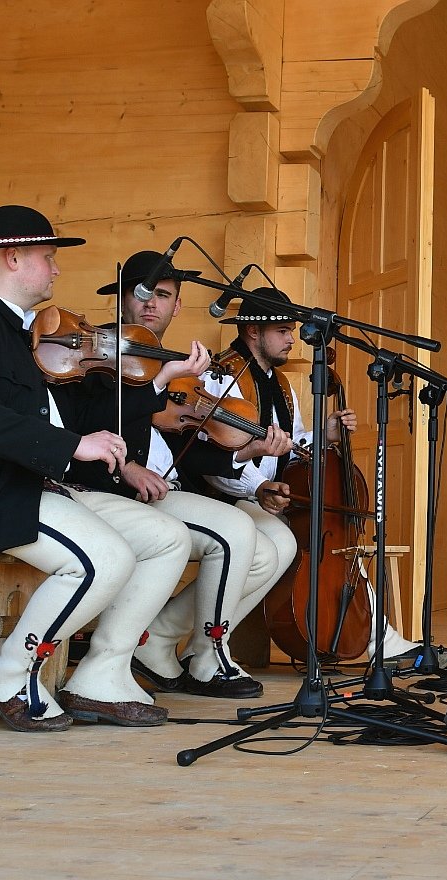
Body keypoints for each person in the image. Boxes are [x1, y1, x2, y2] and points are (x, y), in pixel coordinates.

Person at [0, 205, 193, 731]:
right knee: (102, 558)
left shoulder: (27, 334)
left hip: (35, 487)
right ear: (13, 258)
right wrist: (72, 446)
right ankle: (10, 676)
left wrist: (100, 431)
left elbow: (62, 415)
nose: (57, 270)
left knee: (167, 538)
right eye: (48, 257)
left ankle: (101, 675)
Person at [77, 251, 295, 699]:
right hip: (114, 489)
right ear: (121, 299)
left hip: (167, 489)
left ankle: (160, 638)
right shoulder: (99, 354)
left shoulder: (174, 369)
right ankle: (209, 656)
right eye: (140, 293)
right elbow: (86, 423)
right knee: (236, 531)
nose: (150, 303)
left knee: (269, 551)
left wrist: (246, 452)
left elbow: (185, 449)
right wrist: (131, 455)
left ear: (177, 306)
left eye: (163, 295)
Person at [203, 292, 447, 669]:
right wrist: (257, 486)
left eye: (291, 331)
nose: (292, 339)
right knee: (298, 543)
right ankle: (209, 644)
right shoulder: (222, 376)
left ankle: (378, 638)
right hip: (232, 496)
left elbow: (291, 446)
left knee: (335, 544)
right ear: (253, 331)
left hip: (277, 497)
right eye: (283, 331)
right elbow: (213, 456)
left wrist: (325, 434)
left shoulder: (281, 384)